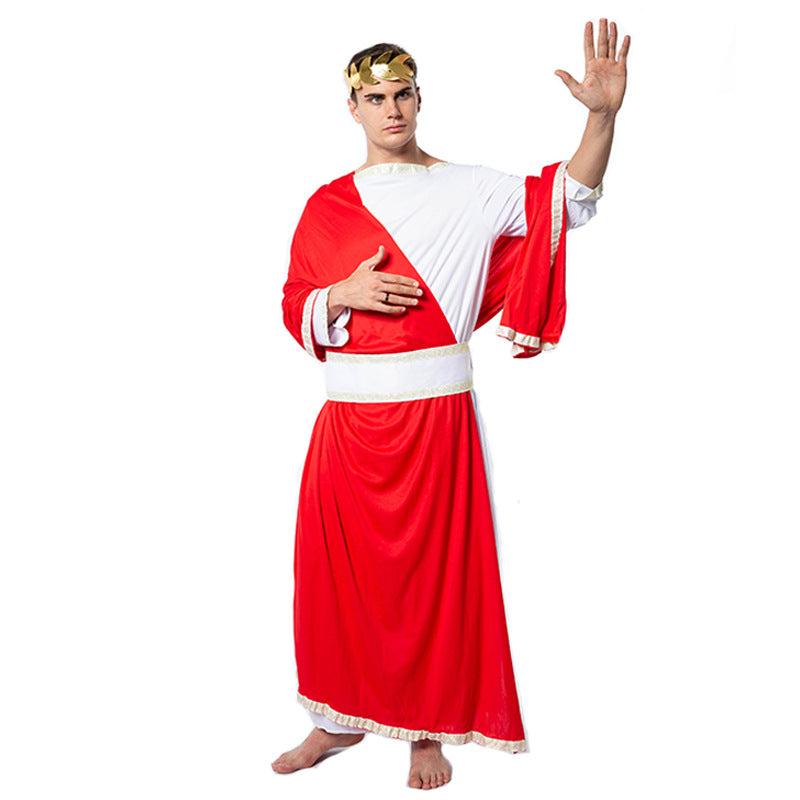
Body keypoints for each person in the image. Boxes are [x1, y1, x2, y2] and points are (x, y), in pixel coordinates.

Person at [272, 20, 630, 790]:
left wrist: (601, 119)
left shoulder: (471, 188)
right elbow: (293, 303)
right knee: (335, 578)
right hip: (346, 423)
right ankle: (336, 717)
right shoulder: (326, 206)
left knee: (429, 580)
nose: (391, 109)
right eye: (375, 98)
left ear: (419, 98)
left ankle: (426, 731)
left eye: (402, 94)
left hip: (434, 418)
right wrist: (340, 293)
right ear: (352, 108)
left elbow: (568, 201)